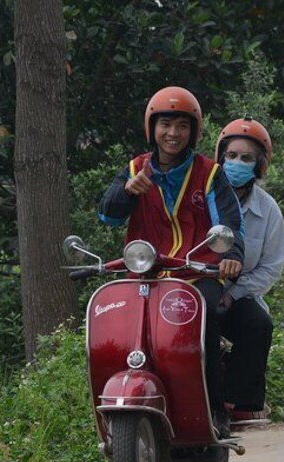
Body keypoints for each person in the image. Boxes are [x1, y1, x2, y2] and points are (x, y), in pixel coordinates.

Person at [98, 86, 245, 436]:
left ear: (193, 131)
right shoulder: (136, 168)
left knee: (205, 327)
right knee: (116, 332)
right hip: (145, 276)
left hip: (196, 274)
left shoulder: (209, 172)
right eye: (165, 124)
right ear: (152, 128)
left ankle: (214, 409)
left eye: (182, 125)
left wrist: (232, 257)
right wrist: (126, 192)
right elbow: (108, 217)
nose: (173, 134)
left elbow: (230, 223)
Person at [214, 117, 284, 420]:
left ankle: (237, 404)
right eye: (231, 156)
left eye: (246, 158)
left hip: (238, 297)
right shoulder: (203, 197)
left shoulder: (268, 210)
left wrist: (234, 293)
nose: (237, 163)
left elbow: (271, 267)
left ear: (259, 165)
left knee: (258, 324)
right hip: (197, 291)